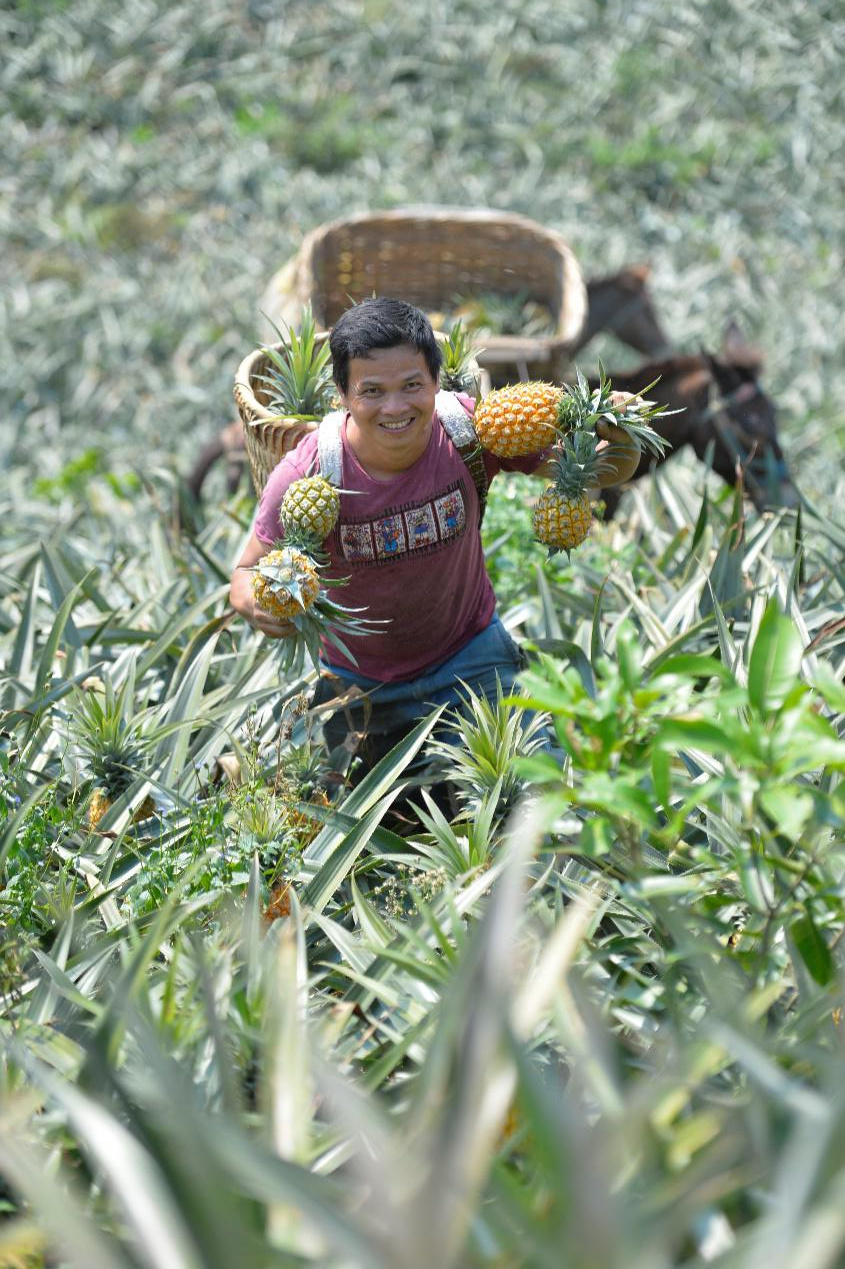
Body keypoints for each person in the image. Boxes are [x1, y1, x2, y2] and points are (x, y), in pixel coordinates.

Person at [229, 296, 640, 779]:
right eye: (372, 391)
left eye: (412, 386)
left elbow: (605, 473)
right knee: (316, 808)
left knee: (536, 787)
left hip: (470, 659)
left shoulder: (467, 431)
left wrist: (622, 433)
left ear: (436, 380)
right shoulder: (310, 471)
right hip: (355, 682)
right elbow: (242, 573)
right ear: (342, 393)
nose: (396, 407)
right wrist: (258, 606)